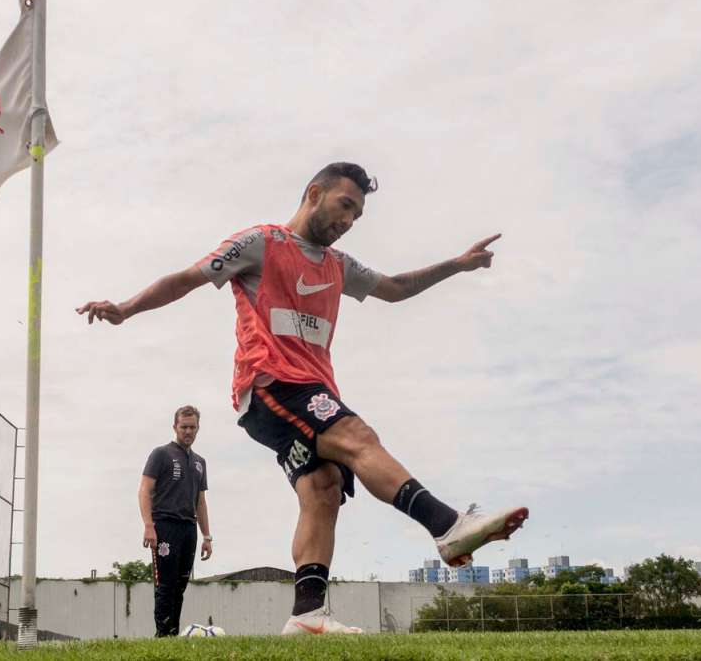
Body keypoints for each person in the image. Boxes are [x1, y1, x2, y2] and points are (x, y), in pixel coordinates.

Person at [78, 162, 528, 634]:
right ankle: (448, 526)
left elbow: (394, 289)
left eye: (357, 215)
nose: (349, 221)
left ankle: (308, 614)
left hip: (309, 391)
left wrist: (456, 265)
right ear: (314, 194)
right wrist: (126, 308)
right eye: (345, 206)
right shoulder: (262, 243)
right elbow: (188, 277)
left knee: (323, 488)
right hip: (271, 383)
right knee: (357, 435)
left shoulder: (340, 265)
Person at [139, 404, 213, 637]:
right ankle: (162, 636)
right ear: (175, 427)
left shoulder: (200, 461)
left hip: (188, 528)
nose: (188, 431)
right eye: (184, 427)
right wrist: (148, 526)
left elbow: (200, 501)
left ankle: (173, 633)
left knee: (180, 585)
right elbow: (144, 490)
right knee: (166, 585)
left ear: (198, 428)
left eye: (192, 427)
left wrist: (207, 536)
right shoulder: (161, 454)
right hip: (164, 526)